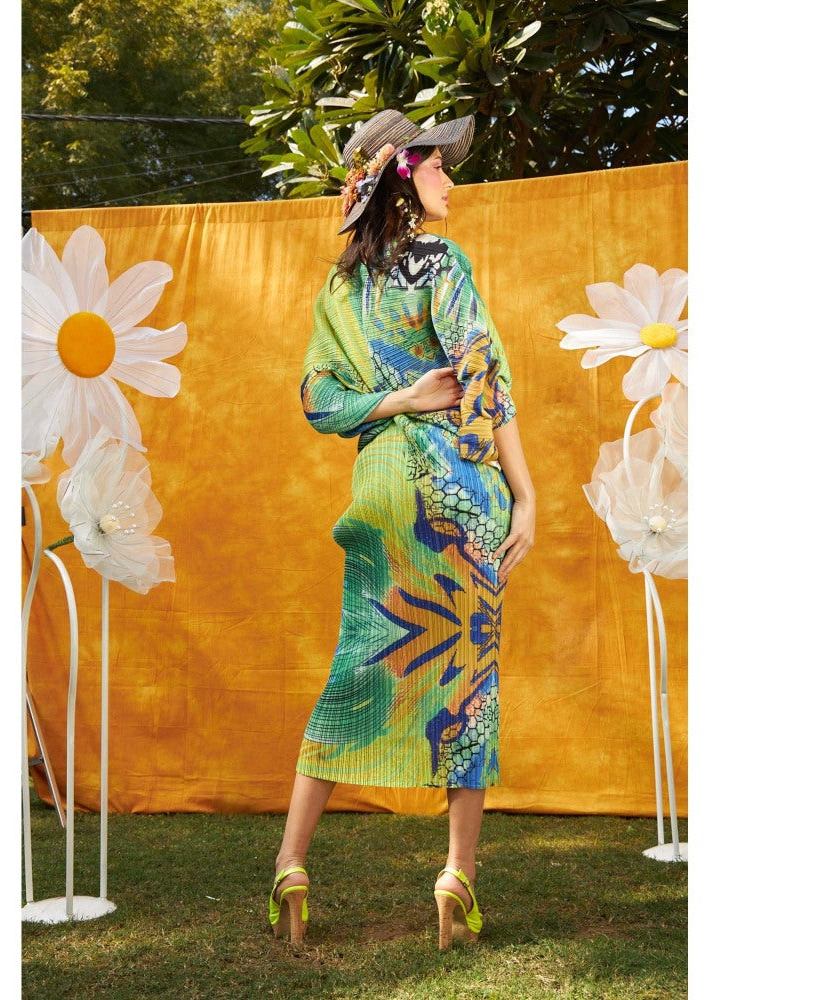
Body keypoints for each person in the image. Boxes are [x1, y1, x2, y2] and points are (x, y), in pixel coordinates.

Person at [269, 108, 536, 951]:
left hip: (383, 483)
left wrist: (390, 401)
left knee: (359, 662)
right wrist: (526, 495)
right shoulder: (441, 262)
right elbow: (482, 380)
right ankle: (457, 877)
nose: (452, 179)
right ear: (405, 176)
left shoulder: (339, 290)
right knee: (470, 678)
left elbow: (318, 399)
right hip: (456, 488)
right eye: (440, 166)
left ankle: (291, 866)